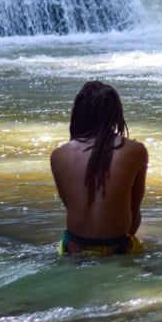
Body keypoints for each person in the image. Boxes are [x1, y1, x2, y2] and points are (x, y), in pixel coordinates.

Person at [50, 81, 149, 256]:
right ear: (116, 114)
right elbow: (134, 216)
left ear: (79, 114)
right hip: (117, 247)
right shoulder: (136, 150)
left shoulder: (59, 155)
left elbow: (71, 206)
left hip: (73, 248)